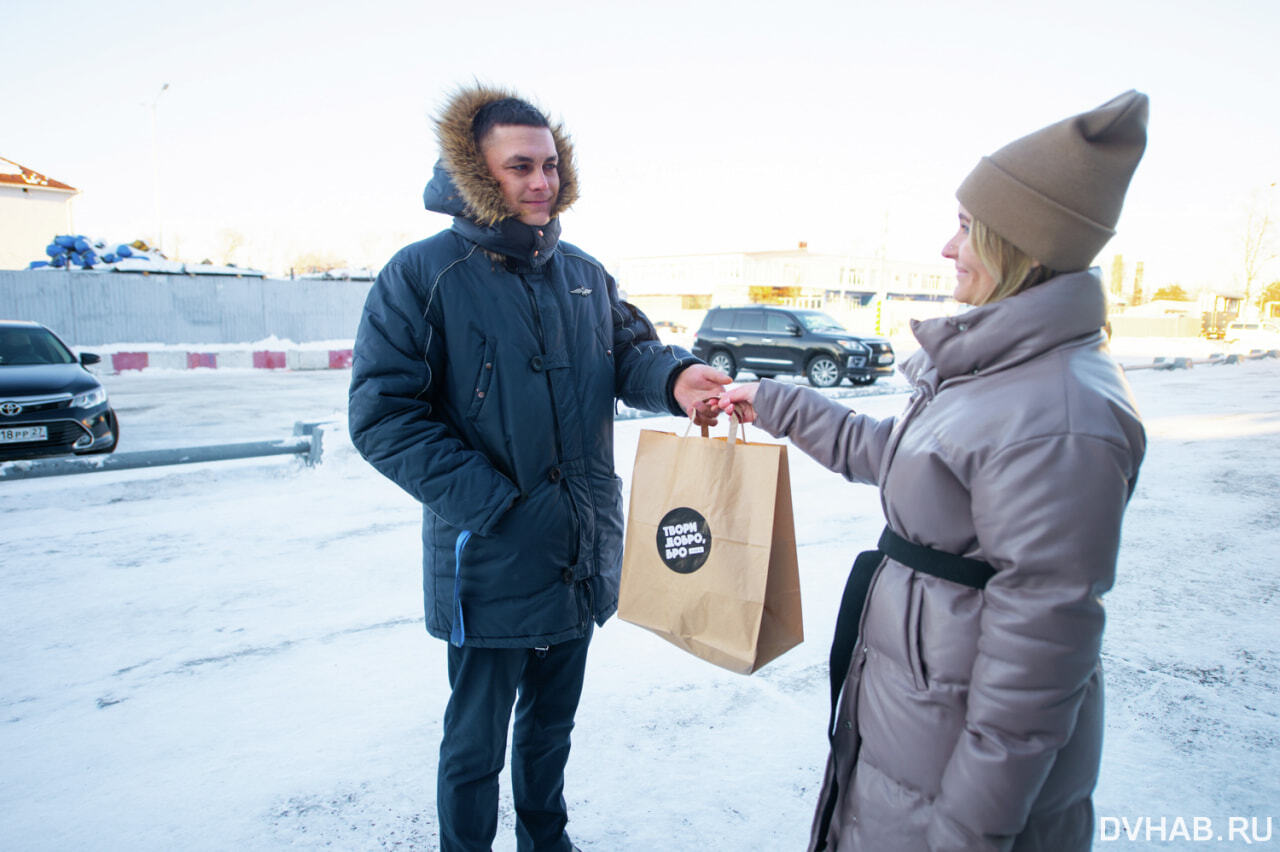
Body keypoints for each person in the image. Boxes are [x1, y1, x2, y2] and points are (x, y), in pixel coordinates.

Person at [718, 90, 1150, 851]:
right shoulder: (1001, 370)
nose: (949, 249)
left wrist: (965, 832)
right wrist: (775, 400)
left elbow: (1036, 669)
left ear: (1022, 244)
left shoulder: (1062, 414)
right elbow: (898, 461)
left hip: (954, 751)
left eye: (965, 228)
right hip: (917, 710)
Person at [348, 84, 729, 852]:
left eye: (550, 165)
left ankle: (546, 842)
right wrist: (495, 504)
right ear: (476, 174)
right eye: (519, 166)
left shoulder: (584, 274)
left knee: (553, 725)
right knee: (474, 745)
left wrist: (678, 376)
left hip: (578, 548)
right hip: (489, 553)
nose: (541, 182)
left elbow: (630, 353)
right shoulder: (423, 275)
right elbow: (382, 415)